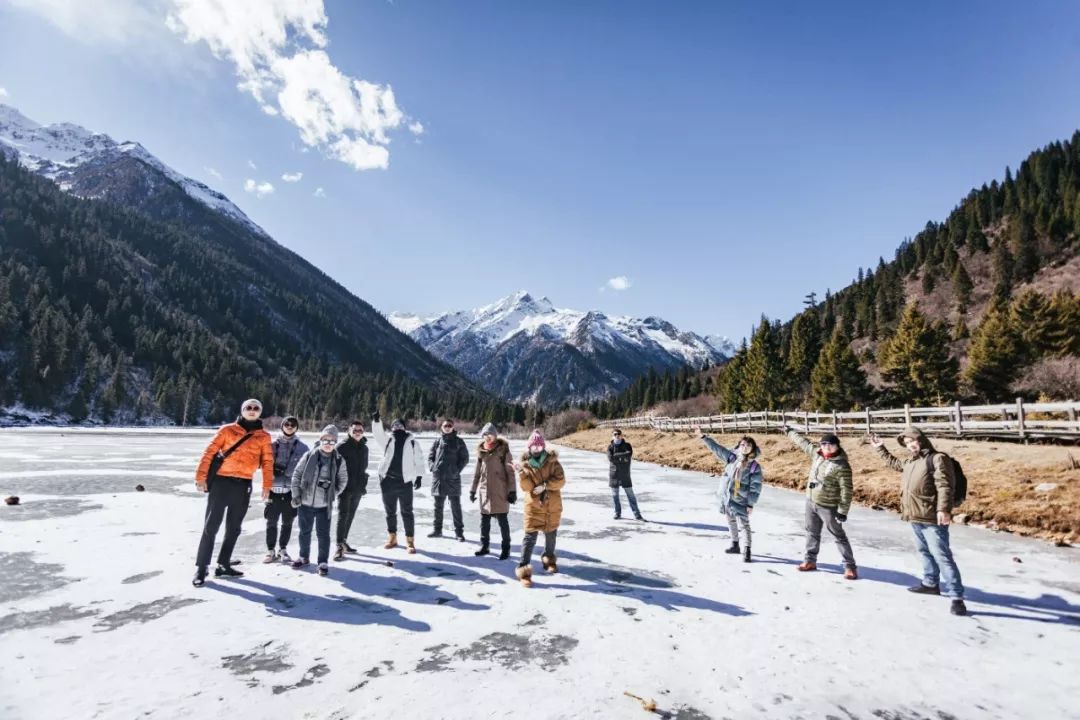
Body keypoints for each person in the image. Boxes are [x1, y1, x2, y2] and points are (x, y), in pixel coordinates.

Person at [871, 426, 968, 616]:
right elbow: (895, 464)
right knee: (924, 551)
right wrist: (880, 448)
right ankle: (930, 583)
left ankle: (957, 597)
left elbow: (945, 485)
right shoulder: (911, 461)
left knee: (942, 556)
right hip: (915, 515)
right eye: (906, 443)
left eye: (912, 441)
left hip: (932, 516)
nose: (909, 445)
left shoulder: (938, 458)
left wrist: (944, 509)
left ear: (921, 439)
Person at [192, 398, 274, 587]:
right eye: (248, 408)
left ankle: (223, 564)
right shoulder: (227, 430)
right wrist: (201, 477)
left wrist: (267, 485)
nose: (252, 411)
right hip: (221, 482)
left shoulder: (263, 437)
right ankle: (202, 567)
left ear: (260, 412)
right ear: (242, 410)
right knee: (211, 526)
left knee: (234, 528)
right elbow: (209, 453)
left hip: (243, 484)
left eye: (256, 408)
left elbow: (268, 462)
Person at [783, 425, 858, 580]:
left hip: (829, 506)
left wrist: (842, 511)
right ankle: (810, 561)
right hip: (811, 502)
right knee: (811, 532)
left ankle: (850, 566)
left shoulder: (842, 465)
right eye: (823, 444)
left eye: (830, 444)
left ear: (837, 446)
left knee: (838, 535)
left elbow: (847, 490)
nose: (826, 447)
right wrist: (789, 432)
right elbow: (803, 443)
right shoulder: (817, 455)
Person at [696, 427, 762, 562]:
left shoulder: (754, 466)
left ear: (752, 448)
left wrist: (750, 503)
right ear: (739, 446)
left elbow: (755, 488)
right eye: (743, 444)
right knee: (730, 521)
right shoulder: (732, 458)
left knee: (744, 525)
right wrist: (704, 437)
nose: (745, 447)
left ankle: (747, 549)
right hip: (727, 497)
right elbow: (717, 449)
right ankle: (735, 544)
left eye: (748, 445)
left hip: (741, 500)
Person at [290, 425, 349, 576]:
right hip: (305, 502)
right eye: (325, 440)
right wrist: (296, 494)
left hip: (324, 505)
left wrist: (332, 493)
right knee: (304, 532)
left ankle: (322, 562)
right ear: (321, 440)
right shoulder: (309, 455)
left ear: (335, 442)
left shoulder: (339, 460)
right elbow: (297, 475)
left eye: (332, 441)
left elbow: (343, 480)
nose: (328, 444)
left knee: (323, 535)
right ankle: (303, 557)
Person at [516, 430, 566, 588]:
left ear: (543, 447)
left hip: (552, 506)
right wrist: (521, 474)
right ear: (529, 447)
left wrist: (545, 486)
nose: (536, 449)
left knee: (551, 535)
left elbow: (561, 481)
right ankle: (524, 570)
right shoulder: (526, 465)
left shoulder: (553, 462)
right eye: (533, 446)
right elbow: (526, 488)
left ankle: (549, 560)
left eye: (539, 446)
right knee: (529, 538)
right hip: (534, 507)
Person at [372, 412, 426, 554]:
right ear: (392, 428)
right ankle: (392, 538)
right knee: (390, 512)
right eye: (394, 424)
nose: (396, 426)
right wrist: (377, 421)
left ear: (404, 427)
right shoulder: (388, 440)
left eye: (399, 424)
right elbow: (378, 435)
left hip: (405, 482)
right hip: (387, 481)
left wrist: (419, 476)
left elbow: (419, 458)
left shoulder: (412, 441)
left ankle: (410, 541)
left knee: (407, 512)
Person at [264, 415, 309, 564]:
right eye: (287, 424)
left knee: (287, 522)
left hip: (291, 491)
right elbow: (263, 466)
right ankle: (270, 551)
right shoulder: (271, 445)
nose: (290, 426)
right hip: (273, 490)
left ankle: (283, 549)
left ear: (296, 427)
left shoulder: (303, 448)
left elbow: (306, 471)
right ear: (282, 426)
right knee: (271, 521)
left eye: (293, 424)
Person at [470, 423, 516, 559]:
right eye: (485, 435)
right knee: (484, 522)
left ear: (495, 435)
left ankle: (506, 548)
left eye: (489, 434)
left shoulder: (504, 450)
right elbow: (477, 474)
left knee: (502, 521)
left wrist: (512, 491)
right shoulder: (481, 452)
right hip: (485, 492)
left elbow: (510, 472)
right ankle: (485, 546)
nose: (487, 437)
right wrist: (472, 490)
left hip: (500, 491)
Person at [428, 418, 470, 541]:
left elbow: (465, 458)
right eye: (445, 425)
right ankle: (437, 530)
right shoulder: (437, 441)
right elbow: (430, 457)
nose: (447, 427)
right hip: (439, 479)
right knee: (438, 506)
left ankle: (459, 533)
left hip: (453, 479)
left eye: (449, 425)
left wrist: (456, 470)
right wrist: (433, 467)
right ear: (442, 427)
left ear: (452, 427)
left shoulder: (459, 442)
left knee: (455, 506)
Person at [334, 420, 370, 561]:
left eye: (360, 430)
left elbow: (363, 467)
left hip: (358, 488)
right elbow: (334, 467)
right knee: (343, 516)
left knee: (350, 516)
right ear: (349, 430)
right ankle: (338, 546)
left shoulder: (364, 448)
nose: (357, 433)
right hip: (344, 488)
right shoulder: (341, 447)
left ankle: (344, 541)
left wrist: (362, 484)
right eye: (355, 430)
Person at [607, 428, 645, 521]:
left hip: (625, 474)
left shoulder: (627, 445)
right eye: (615, 434)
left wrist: (617, 456)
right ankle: (617, 513)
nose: (617, 436)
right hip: (614, 474)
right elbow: (611, 458)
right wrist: (622, 457)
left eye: (619, 434)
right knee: (615, 496)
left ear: (622, 435)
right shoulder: (610, 447)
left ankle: (637, 514)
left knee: (631, 495)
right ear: (613, 436)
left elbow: (628, 454)